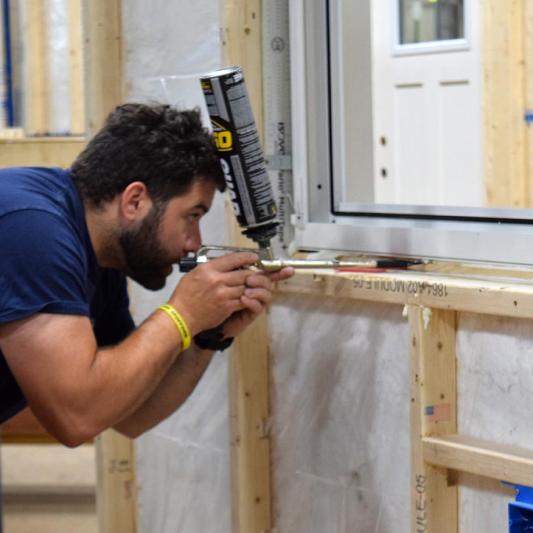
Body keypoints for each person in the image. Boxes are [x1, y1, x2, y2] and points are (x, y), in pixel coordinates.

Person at [0, 103, 293, 446]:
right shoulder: (32, 229)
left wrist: (206, 335)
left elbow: (128, 416)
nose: (193, 244)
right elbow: (75, 418)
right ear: (135, 201)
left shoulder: (100, 257)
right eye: (192, 216)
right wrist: (182, 313)